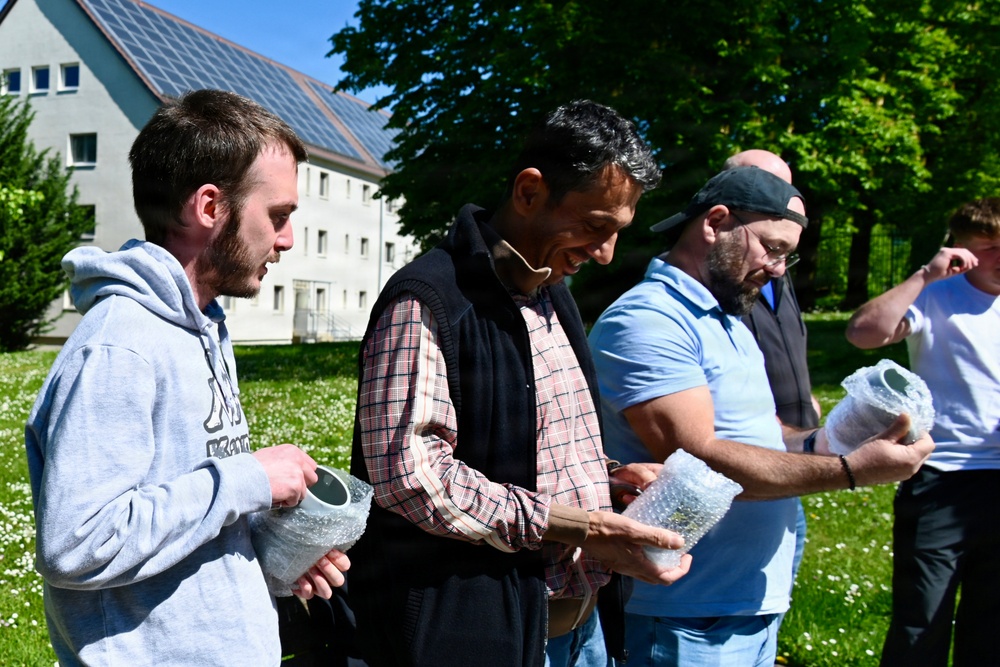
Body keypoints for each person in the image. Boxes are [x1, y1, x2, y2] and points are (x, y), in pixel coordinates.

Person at [347, 100, 691, 667]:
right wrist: (575, 525)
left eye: (617, 232)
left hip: (582, 634)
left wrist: (610, 482)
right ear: (530, 192)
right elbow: (410, 477)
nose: (605, 254)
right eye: (593, 226)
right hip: (473, 637)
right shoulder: (428, 299)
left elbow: (543, 444)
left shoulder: (554, 290)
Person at [24, 89, 350, 666]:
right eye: (277, 216)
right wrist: (247, 479)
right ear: (209, 207)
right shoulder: (120, 344)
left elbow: (184, 501)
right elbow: (76, 544)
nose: (287, 239)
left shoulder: (202, 325)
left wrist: (273, 547)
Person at [587, 165, 934, 666]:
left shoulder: (726, 317)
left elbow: (758, 435)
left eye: (786, 257)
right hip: (684, 610)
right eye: (772, 249)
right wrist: (851, 472)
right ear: (717, 222)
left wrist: (830, 441)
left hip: (744, 603)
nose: (777, 269)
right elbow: (701, 463)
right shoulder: (648, 320)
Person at [845, 197, 1000, 667]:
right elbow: (862, 333)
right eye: (989, 248)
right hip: (940, 477)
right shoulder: (934, 296)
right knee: (921, 620)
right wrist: (924, 276)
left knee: (992, 626)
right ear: (961, 249)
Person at [725, 150, 820, 629]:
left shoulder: (775, 270)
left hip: (790, 460)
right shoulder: (725, 275)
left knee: (772, 606)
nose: (785, 201)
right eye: (767, 189)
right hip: (749, 466)